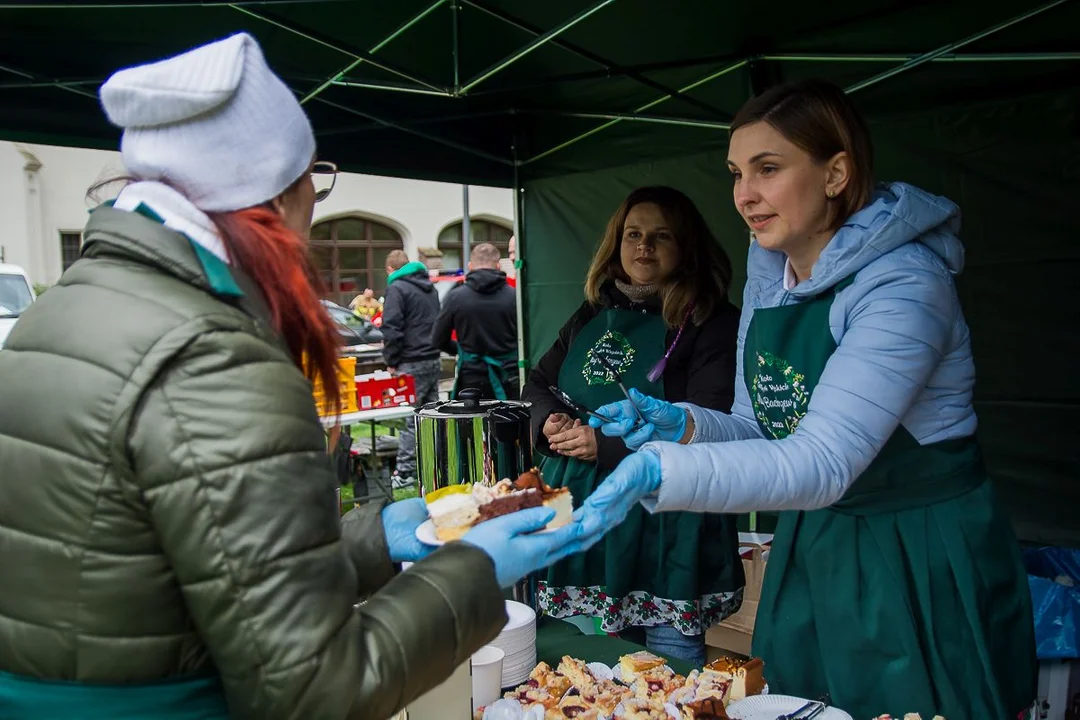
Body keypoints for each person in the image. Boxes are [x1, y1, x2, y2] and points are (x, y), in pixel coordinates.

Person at [0, 33, 602, 720]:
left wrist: (377, 536)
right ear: (279, 193)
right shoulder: (216, 359)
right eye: (312, 183)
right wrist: (473, 573)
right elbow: (315, 689)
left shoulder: (61, 311)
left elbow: (191, 572)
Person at [583, 80, 1037, 719]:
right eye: (737, 173)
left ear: (836, 173)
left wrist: (656, 471)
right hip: (817, 537)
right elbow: (759, 425)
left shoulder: (906, 284)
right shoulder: (773, 276)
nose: (744, 195)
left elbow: (822, 459)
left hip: (913, 548)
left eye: (769, 169)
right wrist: (681, 426)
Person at [521, 186, 744, 665]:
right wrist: (550, 425)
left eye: (660, 236)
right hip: (588, 512)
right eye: (633, 234)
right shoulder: (592, 314)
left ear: (685, 246)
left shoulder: (714, 322)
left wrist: (601, 443)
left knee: (667, 672)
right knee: (586, 664)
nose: (643, 246)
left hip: (666, 513)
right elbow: (538, 383)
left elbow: (709, 419)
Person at [380, 248, 442, 489]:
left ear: (390, 269)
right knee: (430, 416)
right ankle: (434, 464)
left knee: (409, 417)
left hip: (409, 361)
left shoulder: (397, 288)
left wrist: (391, 360)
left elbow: (391, 328)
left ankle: (406, 472)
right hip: (432, 358)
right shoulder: (429, 287)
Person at [432, 242, 519, 400]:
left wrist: (463, 351)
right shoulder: (515, 297)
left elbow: (438, 339)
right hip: (509, 376)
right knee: (510, 422)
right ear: (498, 266)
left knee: (473, 424)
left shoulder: (456, 297)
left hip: (471, 379)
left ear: (470, 266)